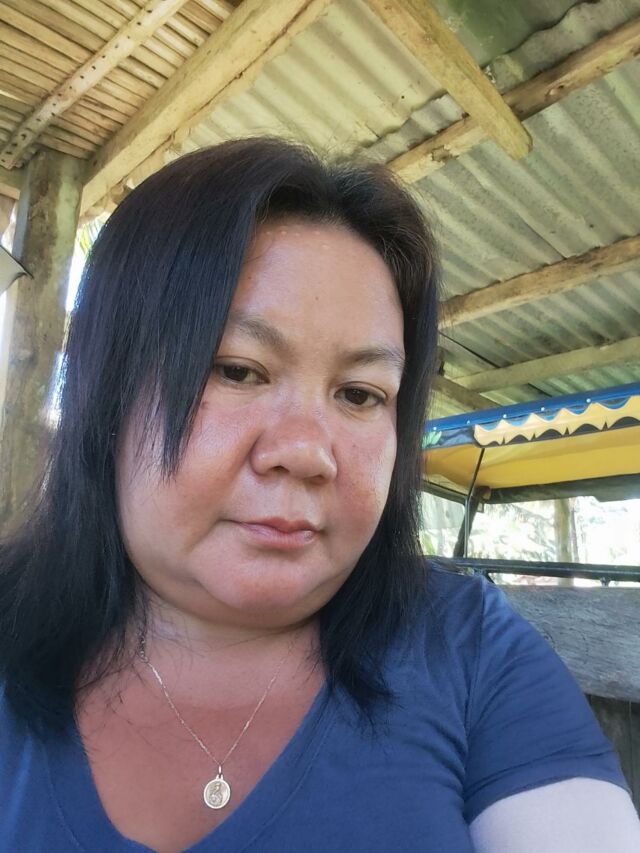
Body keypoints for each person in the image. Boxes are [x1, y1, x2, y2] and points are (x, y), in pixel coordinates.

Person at [0, 137, 638, 853]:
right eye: (237, 369)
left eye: (361, 394)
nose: (307, 452)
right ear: (106, 389)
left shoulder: (471, 652)